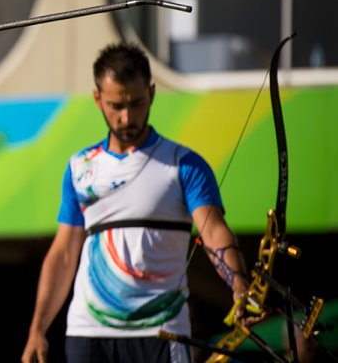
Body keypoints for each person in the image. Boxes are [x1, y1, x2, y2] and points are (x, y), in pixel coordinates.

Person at [21, 43, 253, 363]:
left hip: (162, 333)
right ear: (98, 99)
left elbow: (213, 232)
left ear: (152, 94)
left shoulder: (183, 163)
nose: (127, 117)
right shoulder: (80, 167)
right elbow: (63, 254)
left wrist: (240, 285)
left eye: (137, 103)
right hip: (89, 334)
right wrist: (37, 329)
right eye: (116, 105)